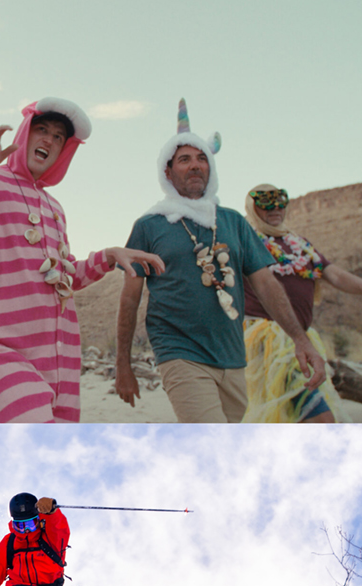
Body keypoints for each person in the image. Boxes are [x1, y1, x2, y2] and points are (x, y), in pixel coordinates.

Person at [0, 98, 166, 422]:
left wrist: (108, 256)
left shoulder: (55, 208)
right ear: (25, 133)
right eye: (42, 129)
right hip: (0, 350)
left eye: (58, 137)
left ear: (64, 150)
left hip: (62, 362)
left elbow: (64, 278)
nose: (49, 140)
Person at [115, 100, 325, 423]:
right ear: (167, 172)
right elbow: (130, 299)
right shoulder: (150, 226)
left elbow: (266, 284)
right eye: (184, 159)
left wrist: (300, 339)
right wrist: (123, 365)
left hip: (232, 356)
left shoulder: (233, 222)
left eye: (202, 158)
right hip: (179, 351)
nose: (195, 165)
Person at [241, 184, 362, 422]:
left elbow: (333, 274)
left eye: (281, 201)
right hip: (268, 341)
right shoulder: (245, 240)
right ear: (251, 207)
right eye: (265, 202)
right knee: (318, 417)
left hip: (299, 338)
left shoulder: (300, 244)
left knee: (292, 416)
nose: (275, 208)